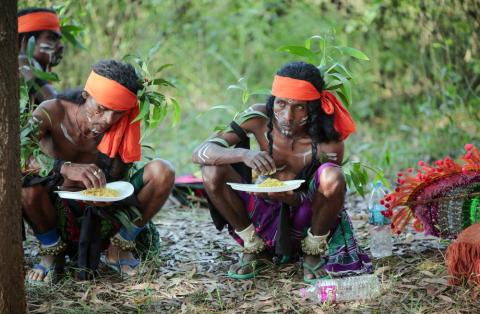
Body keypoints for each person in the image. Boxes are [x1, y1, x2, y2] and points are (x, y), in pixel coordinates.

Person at [193, 61, 372, 282]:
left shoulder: (328, 143)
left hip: (303, 218)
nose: (287, 116)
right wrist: (244, 155)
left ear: (313, 108)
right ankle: (255, 248)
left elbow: (326, 195)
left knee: (333, 175)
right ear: (272, 100)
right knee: (211, 170)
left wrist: (293, 198)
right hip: (260, 210)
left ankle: (312, 253)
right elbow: (201, 151)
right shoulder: (258, 118)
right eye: (281, 103)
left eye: (299, 107)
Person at [22, 60, 175, 282]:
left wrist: (107, 193)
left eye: (119, 113)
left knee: (163, 171)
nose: (108, 120)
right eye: (102, 109)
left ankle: (119, 247)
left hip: (104, 217)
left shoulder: (124, 125)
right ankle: (52, 253)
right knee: (26, 185)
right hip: (53, 213)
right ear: (86, 95)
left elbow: (118, 180)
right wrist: (63, 168)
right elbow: (18, 153)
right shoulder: (52, 111)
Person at [18, 7, 64, 104]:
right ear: (26, 41)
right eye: (51, 38)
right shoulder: (17, 69)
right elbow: (56, 106)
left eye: (59, 39)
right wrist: (23, 64)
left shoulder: (39, 72)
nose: (60, 45)